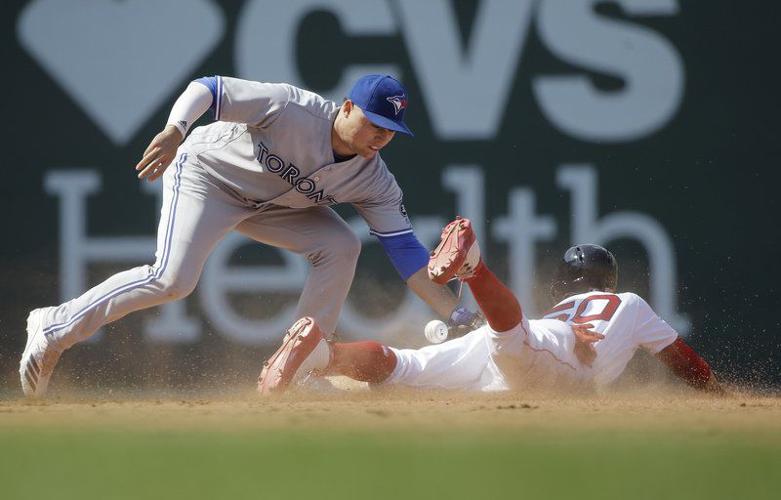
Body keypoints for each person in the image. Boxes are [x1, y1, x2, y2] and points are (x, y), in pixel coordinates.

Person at [20, 74, 479, 397]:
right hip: (209, 177)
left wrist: (460, 313)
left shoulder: (374, 180)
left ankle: (301, 364)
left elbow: (409, 258)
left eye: (392, 130)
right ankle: (54, 325)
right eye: (376, 124)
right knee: (172, 279)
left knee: (340, 245)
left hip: (272, 207)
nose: (382, 136)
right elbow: (210, 88)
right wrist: (176, 130)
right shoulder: (291, 106)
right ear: (347, 108)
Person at [258, 217, 723, 395]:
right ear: (610, 281)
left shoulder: (562, 309)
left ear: (566, 283)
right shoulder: (629, 303)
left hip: (517, 354)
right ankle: (473, 267)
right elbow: (685, 362)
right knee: (513, 338)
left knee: (406, 367)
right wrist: (718, 396)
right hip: (557, 359)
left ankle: (325, 354)